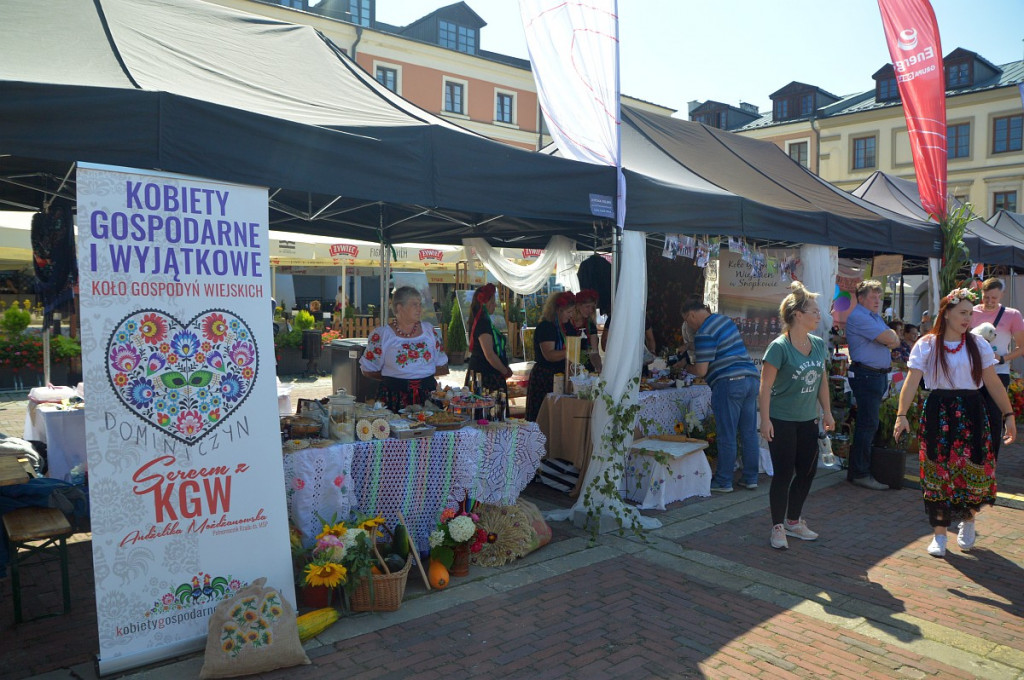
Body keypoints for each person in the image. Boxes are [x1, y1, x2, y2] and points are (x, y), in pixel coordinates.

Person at [893, 288, 1016, 557]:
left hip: (971, 409)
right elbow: (912, 381)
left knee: (972, 469)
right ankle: (939, 534)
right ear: (946, 314)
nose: (967, 318)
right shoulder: (926, 345)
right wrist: (901, 415)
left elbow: (993, 383)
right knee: (937, 469)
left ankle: (968, 521)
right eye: (962, 313)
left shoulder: (978, 345)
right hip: (938, 409)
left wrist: (1009, 414)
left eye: (970, 314)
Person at [759, 282, 834, 550]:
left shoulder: (817, 344)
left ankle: (793, 521)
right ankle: (777, 526)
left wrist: (827, 411)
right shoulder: (779, 347)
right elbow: (765, 386)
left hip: (807, 420)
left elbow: (822, 381)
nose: (819, 316)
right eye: (814, 311)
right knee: (783, 473)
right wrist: (764, 420)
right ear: (798, 315)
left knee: (808, 471)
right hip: (781, 420)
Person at [681, 297, 761, 493]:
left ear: (691, 315)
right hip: (750, 379)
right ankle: (751, 477)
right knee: (749, 432)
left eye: (686, 321)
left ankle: (724, 480)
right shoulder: (723, 321)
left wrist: (684, 366)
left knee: (727, 433)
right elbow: (720, 346)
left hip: (729, 383)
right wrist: (691, 347)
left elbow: (701, 371)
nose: (688, 326)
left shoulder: (703, 333)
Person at [845, 280, 900, 490]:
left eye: (879, 296)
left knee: (869, 424)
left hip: (874, 376)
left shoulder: (873, 316)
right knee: (868, 425)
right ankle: (860, 472)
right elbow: (889, 337)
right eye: (872, 296)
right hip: (866, 376)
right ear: (861, 298)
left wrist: (889, 338)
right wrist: (888, 338)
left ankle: (860, 470)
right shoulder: (860, 316)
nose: (877, 300)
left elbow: (894, 338)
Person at [359, 286, 449, 411]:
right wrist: (393, 377)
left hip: (427, 398)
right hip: (394, 396)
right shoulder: (382, 335)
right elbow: (368, 369)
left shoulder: (429, 331)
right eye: (414, 305)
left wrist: (420, 375)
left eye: (420, 304)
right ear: (399, 307)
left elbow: (441, 365)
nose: (420, 309)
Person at [971, 277, 1024, 457]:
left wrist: (1003, 358)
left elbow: (1021, 347)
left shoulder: (1012, 314)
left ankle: (990, 461)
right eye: (986, 297)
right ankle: (972, 458)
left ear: (1002, 295)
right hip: (974, 373)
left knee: (994, 417)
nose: (990, 302)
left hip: (999, 372)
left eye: (994, 298)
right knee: (972, 416)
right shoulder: (972, 312)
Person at [526, 291, 575, 421]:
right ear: (558, 310)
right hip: (544, 378)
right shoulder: (546, 327)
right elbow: (549, 355)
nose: (571, 316)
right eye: (568, 312)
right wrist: (572, 351)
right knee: (542, 417)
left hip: (560, 376)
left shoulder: (566, 326)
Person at [466, 283, 512, 392]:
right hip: (485, 376)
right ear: (485, 304)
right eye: (492, 302)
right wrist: (504, 371)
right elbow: (489, 355)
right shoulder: (482, 323)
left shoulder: (481, 320)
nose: (495, 305)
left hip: (483, 372)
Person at [566, 289, 603, 373]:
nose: (590, 310)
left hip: (586, 369)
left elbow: (594, 352)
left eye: (592, 307)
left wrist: (599, 367)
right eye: (587, 307)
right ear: (578, 306)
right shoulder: (567, 323)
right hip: (567, 367)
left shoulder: (590, 325)